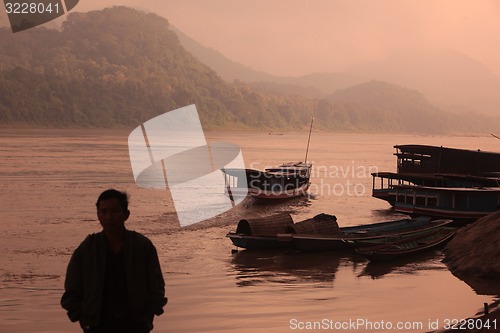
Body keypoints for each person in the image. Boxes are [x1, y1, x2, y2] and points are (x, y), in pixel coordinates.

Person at [61, 189, 167, 333]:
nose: (109, 217)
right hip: (97, 325)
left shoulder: (142, 246)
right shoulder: (88, 248)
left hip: (135, 324)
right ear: (98, 215)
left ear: (126, 214)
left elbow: (156, 285)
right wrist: (82, 319)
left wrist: (147, 320)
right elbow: (72, 288)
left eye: (115, 211)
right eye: (103, 212)